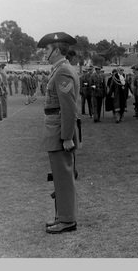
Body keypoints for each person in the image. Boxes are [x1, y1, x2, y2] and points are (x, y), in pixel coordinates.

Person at [37, 32, 80, 234]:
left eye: (47, 49)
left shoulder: (62, 71)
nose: (44, 52)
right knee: (60, 176)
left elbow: (68, 108)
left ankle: (67, 219)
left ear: (56, 51)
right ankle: (61, 216)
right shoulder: (60, 70)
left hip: (59, 131)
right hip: (55, 128)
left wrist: (67, 137)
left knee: (63, 177)